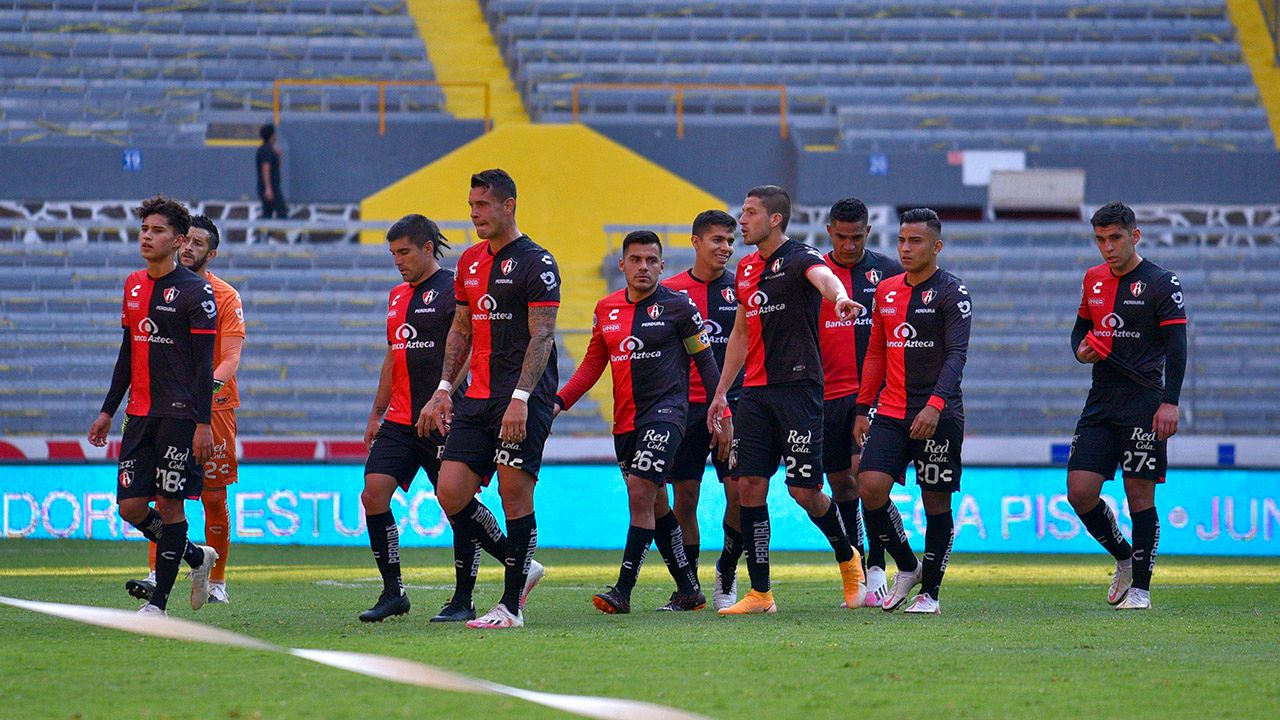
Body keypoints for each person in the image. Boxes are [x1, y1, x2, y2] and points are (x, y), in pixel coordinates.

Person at [707, 185, 867, 616]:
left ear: (774, 219)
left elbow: (825, 278)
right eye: (742, 212)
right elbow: (740, 334)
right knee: (747, 488)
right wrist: (721, 393)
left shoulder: (800, 257)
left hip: (798, 389)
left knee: (804, 491)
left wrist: (840, 298)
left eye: (750, 213)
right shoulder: (744, 270)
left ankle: (849, 558)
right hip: (755, 394)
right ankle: (761, 593)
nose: (741, 220)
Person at [556, 231, 729, 614]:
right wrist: (560, 401)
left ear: (662, 266)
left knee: (639, 493)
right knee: (656, 501)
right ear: (622, 265)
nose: (643, 267)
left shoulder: (679, 307)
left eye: (652, 261)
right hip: (625, 423)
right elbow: (591, 365)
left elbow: (705, 359)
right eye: (636, 260)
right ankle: (688, 589)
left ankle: (623, 589)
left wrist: (722, 408)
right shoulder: (606, 309)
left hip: (668, 414)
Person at [357, 214, 509, 624]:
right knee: (373, 494)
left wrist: (444, 395)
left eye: (404, 252)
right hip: (401, 418)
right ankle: (394, 593)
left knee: (457, 505)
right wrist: (376, 412)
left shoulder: (452, 291)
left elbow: (472, 345)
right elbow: (393, 354)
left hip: (445, 417)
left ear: (428, 248)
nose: (398, 261)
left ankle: (468, 596)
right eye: (392, 254)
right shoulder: (396, 296)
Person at [422, 169, 556, 629]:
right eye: (471, 205)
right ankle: (521, 565)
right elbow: (462, 330)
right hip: (475, 396)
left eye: (482, 205)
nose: (474, 213)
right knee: (450, 491)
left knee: (514, 495)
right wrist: (442, 390)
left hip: (521, 396)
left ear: (508, 205)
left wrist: (521, 396)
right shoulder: (470, 262)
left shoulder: (538, 262)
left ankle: (511, 607)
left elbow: (543, 336)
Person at [87, 195, 219, 616]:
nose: (147, 236)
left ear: (179, 240)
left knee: (169, 504)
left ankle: (158, 604)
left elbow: (204, 367)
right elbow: (128, 352)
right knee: (130, 507)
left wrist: (203, 423)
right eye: (144, 229)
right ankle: (196, 556)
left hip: (180, 416)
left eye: (157, 230)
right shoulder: (133, 284)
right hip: (138, 414)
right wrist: (109, 410)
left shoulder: (198, 293)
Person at [1066, 201, 1187, 611]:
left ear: (1134, 236)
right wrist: (1081, 352)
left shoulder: (1160, 282)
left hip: (1145, 401)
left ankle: (1141, 591)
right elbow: (1080, 331)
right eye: (1100, 239)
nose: (1107, 247)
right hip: (1101, 400)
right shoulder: (1093, 280)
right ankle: (1124, 557)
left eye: (1115, 238)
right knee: (1080, 492)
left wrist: (1170, 403)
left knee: (1140, 495)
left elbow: (1177, 347)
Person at [855, 208, 972, 616]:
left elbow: (957, 355)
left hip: (938, 414)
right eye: (902, 240)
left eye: (916, 241)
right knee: (869, 486)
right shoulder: (886, 291)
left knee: (935, 501)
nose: (906, 248)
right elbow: (875, 353)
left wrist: (935, 405)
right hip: (890, 409)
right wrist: (861, 407)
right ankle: (908, 565)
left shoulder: (951, 293)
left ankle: (930, 594)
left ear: (936, 246)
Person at [124, 215, 245, 606]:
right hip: (164, 409)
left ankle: (217, 581)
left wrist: (200, 396)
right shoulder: (154, 287)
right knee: (162, 494)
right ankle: (163, 570)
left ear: (211, 253)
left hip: (215, 407)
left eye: (198, 243)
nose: (189, 248)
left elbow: (228, 360)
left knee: (212, 495)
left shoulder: (224, 296)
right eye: (186, 240)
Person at [818, 198, 903, 607]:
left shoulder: (888, 272)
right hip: (824, 396)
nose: (848, 245)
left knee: (862, 474)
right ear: (829, 233)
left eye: (856, 237)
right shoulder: (814, 274)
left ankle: (877, 567)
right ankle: (855, 567)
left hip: (872, 396)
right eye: (840, 236)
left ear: (867, 232)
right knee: (840, 484)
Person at [661, 210, 745, 610]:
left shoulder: (743, 289)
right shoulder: (671, 291)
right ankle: (688, 585)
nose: (725, 248)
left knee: (740, 493)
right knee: (686, 498)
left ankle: (727, 570)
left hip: (734, 406)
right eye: (717, 240)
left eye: (730, 241)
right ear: (696, 242)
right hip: (686, 408)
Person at [256, 123, 286, 220]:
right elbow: (266, 169)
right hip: (271, 188)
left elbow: (278, 167)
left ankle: (265, 235)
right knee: (282, 212)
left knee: (268, 214)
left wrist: (278, 155)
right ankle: (268, 234)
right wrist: (268, 189)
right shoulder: (266, 150)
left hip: (272, 187)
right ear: (271, 136)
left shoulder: (269, 149)